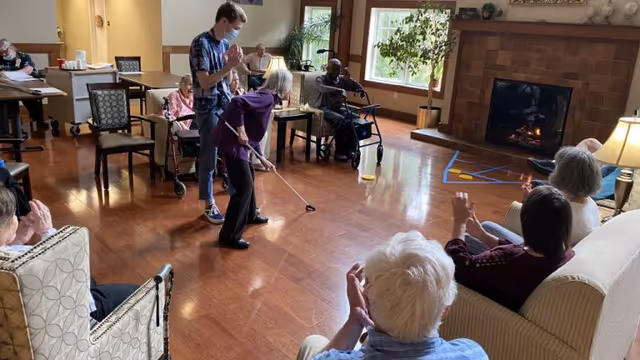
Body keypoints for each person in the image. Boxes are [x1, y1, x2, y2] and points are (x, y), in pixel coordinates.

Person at [297, 231, 489, 360]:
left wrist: (356, 319)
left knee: (312, 342)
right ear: (445, 311)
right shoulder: (472, 352)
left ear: (369, 307)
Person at [0, 187, 138, 325]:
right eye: (13, 215)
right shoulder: (21, 265)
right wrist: (47, 231)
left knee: (90, 281)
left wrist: (14, 240)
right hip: (74, 317)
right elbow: (67, 268)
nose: (15, 218)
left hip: (29, 323)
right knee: (139, 292)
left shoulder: (7, 253)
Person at [445, 187, 575, 312]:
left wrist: (459, 222)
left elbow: (458, 266)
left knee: (463, 240)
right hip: (519, 278)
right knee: (478, 232)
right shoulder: (565, 251)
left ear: (528, 223)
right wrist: (481, 234)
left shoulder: (507, 259)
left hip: (495, 294)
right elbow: (520, 249)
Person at [214, 69, 292, 249]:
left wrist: (262, 157)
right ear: (282, 87)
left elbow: (253, 132)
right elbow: (236, 102)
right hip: (232, 142)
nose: (290, 91)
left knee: (249, 175)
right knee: (244, 187)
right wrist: (240, 130)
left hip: (236, 143)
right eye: (289, 87)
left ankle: (250, 215)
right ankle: (229, 236)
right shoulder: (266, 98)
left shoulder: (267, 99)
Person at [189, 2, 247, 225]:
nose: (236, 32)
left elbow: (229, 83)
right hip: (208, 107)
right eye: (236, 27)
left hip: (225, 104)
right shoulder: (200, 43)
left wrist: (233, 65)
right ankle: (208, 203)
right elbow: (204, 82)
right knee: (209, 156)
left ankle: (239, 199)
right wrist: (227, 67)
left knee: (234, 151)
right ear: (224, 21)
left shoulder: (224, 44)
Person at [528, 138, 621, 201]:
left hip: (624, 169)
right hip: (616, 163)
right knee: (589, 142)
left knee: (624, 170)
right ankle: (556, 165)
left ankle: (560, 176)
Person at [315, 58, 365, 161]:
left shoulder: (341, 79)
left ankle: (351, 150)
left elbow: (355, 86)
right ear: (327, 68)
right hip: (325, 108)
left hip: (338, 107)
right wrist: (340, 90)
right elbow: (322, 88)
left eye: (338, 70)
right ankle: (339, 152)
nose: (336, 72)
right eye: (333, 69)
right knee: (342, 120)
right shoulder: (321, 79)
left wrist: (353, 83)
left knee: (355, 118)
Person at [0, 39, 44, 126]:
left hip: (25, 84)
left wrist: (7, 73)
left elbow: (28, 70)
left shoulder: (24, 56)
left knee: (32, 98)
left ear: (11, 48)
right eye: (1, 53)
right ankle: (17, 127)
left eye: (5, 51)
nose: (3, 54)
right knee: (10, 101)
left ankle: (37, 121)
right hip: (7, 86)